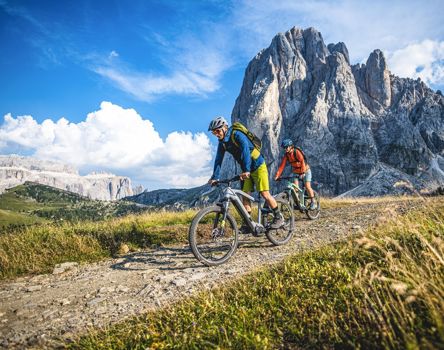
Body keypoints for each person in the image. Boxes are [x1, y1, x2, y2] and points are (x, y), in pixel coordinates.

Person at [207, 116, 284, 230]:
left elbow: (246, 151)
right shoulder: (222, 143)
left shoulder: (237, 134)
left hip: (258, 166)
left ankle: (279, 217)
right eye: (214, 133)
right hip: (245, 170)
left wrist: (247, 170)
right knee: (245, 196)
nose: (216, 134)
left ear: (225, 128)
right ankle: (248, 224)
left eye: (217, 131)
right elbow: (218, 159)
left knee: (265, 194)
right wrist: (215, 177)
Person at [274, 139, 317, 210]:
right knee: (295, 188)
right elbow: (282, 166)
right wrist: (277, 175)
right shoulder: (287, 155)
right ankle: (298, 203)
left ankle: (313, 202)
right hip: (296, 172)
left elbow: (302, 161)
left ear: (291, 146)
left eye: (286, 147)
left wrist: (303, 173)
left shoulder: (296, 152)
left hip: (306, 171)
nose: (285, 149)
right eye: (284, 148)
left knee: (307, 186)